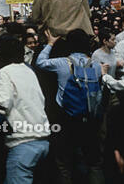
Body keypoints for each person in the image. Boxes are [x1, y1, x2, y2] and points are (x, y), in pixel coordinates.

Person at [36, 29, 105, 184]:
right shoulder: (96, 65)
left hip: (65, 118)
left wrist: (50, 43)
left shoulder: (62, 63)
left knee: (64, 163)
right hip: (90, 119)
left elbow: (40, 62)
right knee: (94, 163)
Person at [0, 34, 50, 184]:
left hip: (23, 144)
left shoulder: (5, 72)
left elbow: (1, 105)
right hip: (43, 141)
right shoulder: (29, 70)